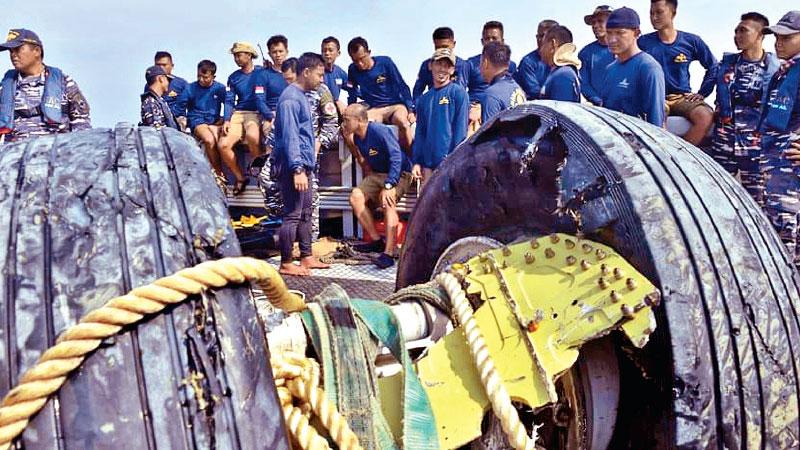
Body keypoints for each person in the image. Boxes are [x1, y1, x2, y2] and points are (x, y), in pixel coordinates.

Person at [261, 57, 339, 240]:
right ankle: (283, 224)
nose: (288, 82)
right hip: (284, 150)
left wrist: (320, 142)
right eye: (285, 80)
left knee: (309, 197)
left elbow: (332, 122)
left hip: (307, 150)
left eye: (290, 78)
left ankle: (310, 240)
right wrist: (270, 146)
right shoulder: (290, 93)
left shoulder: (321, 91)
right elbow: (281, 124)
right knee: (266, 179)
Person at [712, 12, 779, 206]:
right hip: (725, 141)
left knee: (757, 202)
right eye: (736, 31)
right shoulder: (727, 64)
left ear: (760, 35)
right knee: (717, 197)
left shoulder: (775, 69)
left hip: (756, 145)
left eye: (743, 31)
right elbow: (714, 89)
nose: (737, 36)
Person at [273, 52, 330, 276]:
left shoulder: (302, 96)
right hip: (292, 167)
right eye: (319, 74)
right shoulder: (290, 99)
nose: (322, 79)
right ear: (306, 72)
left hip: (304, 166)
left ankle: (306, 256)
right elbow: (290, 136)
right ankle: (286, 262)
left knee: (306, 212)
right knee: (293, 214)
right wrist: (297, 169)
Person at [343, 103, 415, 269]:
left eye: (347, 119)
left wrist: (390, 184)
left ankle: (388, 254)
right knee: (356, 196)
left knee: (386, 198)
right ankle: (376, 241)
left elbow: (396, 156)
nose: (344, 122)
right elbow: (366, 162)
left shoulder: (379, 131)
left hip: (400, 172)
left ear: (359, 120)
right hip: (378, 174)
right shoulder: (357, 137)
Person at [639, 0, 718, 145]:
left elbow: (713, 66)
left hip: (682, 97)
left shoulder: (691, 41)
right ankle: (660, 156)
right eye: (651, 13)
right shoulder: (643, 42)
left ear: (673, 13)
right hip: (657, 97)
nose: (654, 17)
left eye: (659, 12)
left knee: (705, 117)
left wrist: (703, 92)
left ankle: (680, 155)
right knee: (655, 117)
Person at [760, 11, 800, 265]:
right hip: (777, 165)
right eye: (777, 37)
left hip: (790, 171)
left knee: (785, 236)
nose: (779, 42)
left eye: (787, 37)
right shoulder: (785, 71)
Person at [0, 28, 90, 142]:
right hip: (17, 156)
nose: (13, 55)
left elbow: (81, 122)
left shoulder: (64, 83)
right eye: (11, 51)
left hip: (57, 155)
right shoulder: (4, 88)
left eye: (18, 49)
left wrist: (78, 151)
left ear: (37, 51)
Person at [218, 42, 271, 195]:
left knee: (253, 137)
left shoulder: (262, 72)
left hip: (256, 112)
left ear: (249, 55)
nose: (236, 58)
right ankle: (240, 177)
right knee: (223, 144)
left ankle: (261, 175)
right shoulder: (233, 77)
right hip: (238, 114)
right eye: (235, 55)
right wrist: (227, 119)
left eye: (239, 55)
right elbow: (229, 100)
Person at [411, 48, 469, 184]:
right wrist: (417, 162)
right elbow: (420, 134)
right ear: (431, 66)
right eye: (439, 64)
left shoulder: (458, 94)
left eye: (447, 65)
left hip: (451, 165)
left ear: (452, 70)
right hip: (428, 167)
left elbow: (460, 133)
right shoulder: (424, 99)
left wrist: (454, 163)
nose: (442, 69)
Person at [601, 7, 666, 127]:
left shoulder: (648, 68)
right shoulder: (609, 69)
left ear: (636, 33)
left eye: (620, 33)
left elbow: (656, 123)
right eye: (609, 33)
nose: (612, 39)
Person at [346, 37, 415, 150]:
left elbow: (402, 86)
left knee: (403, 123)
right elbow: (352, 93)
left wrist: (411, 110)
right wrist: (350, 114)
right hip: (374, 109)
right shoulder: (353, 69)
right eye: (355, 60)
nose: (360, 63)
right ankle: (369, 164)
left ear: (369, 53)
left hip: (394, 106)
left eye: (362, 58)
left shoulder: (385, 63)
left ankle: (411, 161)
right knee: (358, 127)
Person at [174, 59, 227, 174]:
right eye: (199, 76)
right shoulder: (190, 88)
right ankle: (219, 174)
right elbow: (179, 108)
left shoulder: (220, 88)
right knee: (209, 140)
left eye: (205, 77)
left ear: (213, 76)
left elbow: (229, 104)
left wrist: (225, 118)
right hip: (197, 120)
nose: (201, 80)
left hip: (214, 121)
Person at [468, 21, 518, 131]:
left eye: (494, 38)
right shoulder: (470, 64)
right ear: (482, 41)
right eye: (487, 38)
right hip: (474, 115)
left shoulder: (491, 94)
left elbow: (490, 138)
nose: (490, 42)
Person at [412, 27, 471, 100]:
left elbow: (461, 92)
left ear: (453, 44)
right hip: (433, 105)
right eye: (438, 48)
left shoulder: (462, 65)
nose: (442, 51)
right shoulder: (426, 65)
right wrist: (419, 107)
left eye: (445, 47)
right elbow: (417, 91)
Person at [479, 42, 526, 123]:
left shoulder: (491, 95)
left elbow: (489, 133)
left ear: (485, 63)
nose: (479, 68)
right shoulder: (517, 88)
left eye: (480, 63)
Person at [579, 5, 616, 105]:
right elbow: (583, 83)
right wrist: (598, 100)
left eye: (600, 21)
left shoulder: (625, 48)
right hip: (599, 109)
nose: (595, 26)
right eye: (593, 23)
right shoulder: (586, 53)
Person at [515, 20, 558, 100]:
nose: (540, 40)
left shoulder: (563, 61)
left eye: (545, 36)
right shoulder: (528, 62)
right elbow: (534, 92)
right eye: (539, 36)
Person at [539, 25, 582, 102]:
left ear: (553, 44)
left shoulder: (563, 75)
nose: (541, 50)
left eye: (543, 44)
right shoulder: (560, 72)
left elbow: (561, 112)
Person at [148, 51, 189, 129]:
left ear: (172, 66)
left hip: (177, 120)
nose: (160, 68)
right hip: (157, 120)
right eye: (158, 65)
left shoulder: (182, 84)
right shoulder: (150, 85)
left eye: (164, 65)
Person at [140, 65, 179, 129]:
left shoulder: (157, 101)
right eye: (167, 79)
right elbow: (156, 132)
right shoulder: (150, 102)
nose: (169, 83)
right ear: (161, 79)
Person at [321, 36, 350, 113]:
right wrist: (336, 101)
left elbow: (352, 88)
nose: (327, 53)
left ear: (338, 53)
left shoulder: (340, 73)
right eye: (324, 51)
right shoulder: (316, 71)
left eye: (330, 50)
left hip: (334, 110)